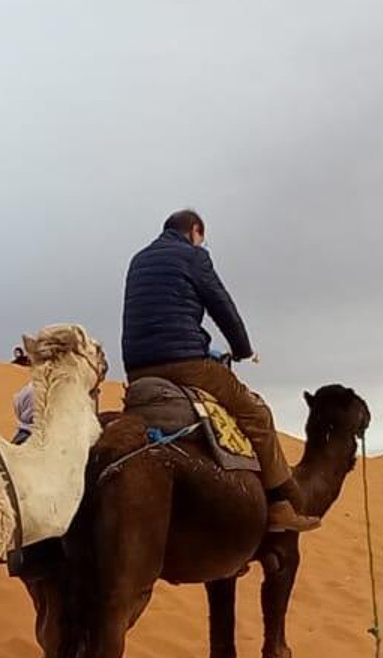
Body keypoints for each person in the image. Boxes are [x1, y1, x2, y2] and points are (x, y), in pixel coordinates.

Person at [121, 209, 319, 533]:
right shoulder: (193, 256)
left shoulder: (138, 260)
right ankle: (281, 505)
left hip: (137, 369)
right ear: (195, 230)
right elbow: (221, 304)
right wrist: (243, 349)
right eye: (202, 237)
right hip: (185, 363)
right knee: (256, 414)